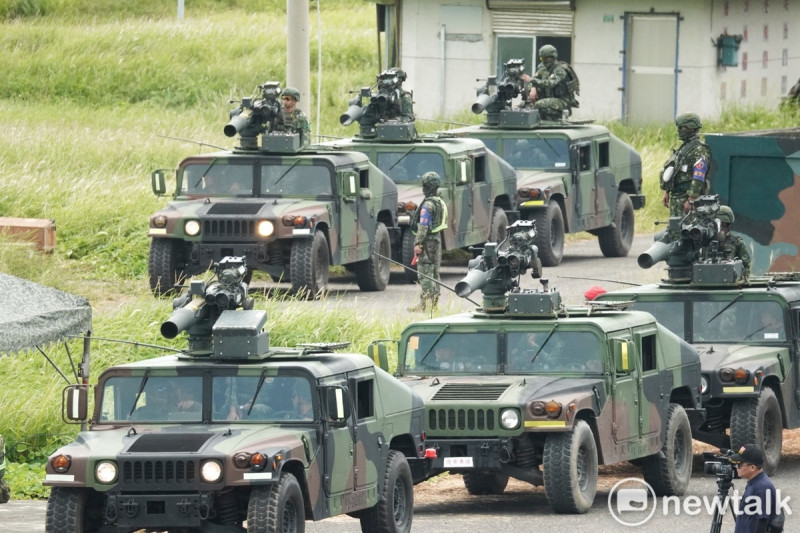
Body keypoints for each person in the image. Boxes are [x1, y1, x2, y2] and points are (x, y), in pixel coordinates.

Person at [408, 172, 448, 312]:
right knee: (435, 273)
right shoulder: (439, 202)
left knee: (424, 273)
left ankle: (425, 305)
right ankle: (434, 305)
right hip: (436, 240)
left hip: (427, 242)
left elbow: (423, 226)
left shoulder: (428, 205)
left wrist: (418, 244)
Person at [660, 112, 711, 216]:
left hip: (686, 199)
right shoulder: (683, 149)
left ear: (692, 128)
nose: (679, 130)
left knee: (686, 229)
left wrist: (691, 199)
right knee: (675, 229)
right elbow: (674, 170)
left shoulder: (699, 150)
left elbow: (698, 176)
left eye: (682, 127)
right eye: (679, 127)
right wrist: (667, 191)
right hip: (676, 198)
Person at [730, 443, 783, 533]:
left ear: (752, 467)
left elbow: (762, 521)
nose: (736, 467)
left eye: (739, 465)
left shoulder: (762, 487)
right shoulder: (754, 482)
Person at [520, 44, 578, 120]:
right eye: (541, 58)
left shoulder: (560, 70)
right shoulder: (543, 67)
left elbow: (550, 83)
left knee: (539, 104)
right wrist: (533, 88)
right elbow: (536, 78)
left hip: (563, 102)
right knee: (523, 105)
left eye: (545, 59)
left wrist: (531, 80)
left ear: (552, 57)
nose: (543, 61)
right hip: (548, 99)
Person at [704, 205, 751, 280]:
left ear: (729, 226)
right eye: (718, 225)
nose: (720, 229)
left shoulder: (736, 242)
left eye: (723, 226)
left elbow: (746, 266)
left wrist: (740, 279)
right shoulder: (704, 241)